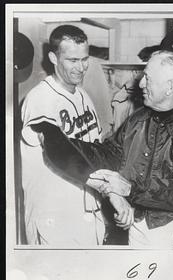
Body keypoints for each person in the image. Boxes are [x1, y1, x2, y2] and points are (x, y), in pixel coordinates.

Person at [34, 49, 173, 247]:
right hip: (138, 225)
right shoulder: (138, 119)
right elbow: (109, 154)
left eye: (147, 79)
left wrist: (130, 189)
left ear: (170, 87)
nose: (140, 84)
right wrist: (62, 140)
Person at [20, 25, 106, 245]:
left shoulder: (83, 95)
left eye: (84, 59)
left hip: (87, 209)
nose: (81, 67)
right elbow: (57, 147)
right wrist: (107, 186)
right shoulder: (39, 98)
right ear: (53, 58)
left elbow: (95, 148)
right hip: (54, 216)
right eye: (72, 60)